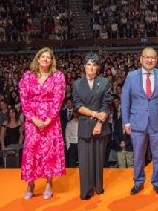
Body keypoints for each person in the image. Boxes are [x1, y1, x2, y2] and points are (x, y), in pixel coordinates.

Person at [122, 47, 158, 196]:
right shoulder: (131, 76)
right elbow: (125, 101)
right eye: (147, 57)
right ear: (141, 59)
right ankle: (138, 181)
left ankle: (157, 182)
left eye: (152, 58)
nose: (149, 60)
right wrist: (126, 122)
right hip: (137, 123)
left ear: (156, 60)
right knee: (138, 155)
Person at [18, 47, 66, 200]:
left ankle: (49, 183)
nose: (45, 59)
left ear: (52, 61)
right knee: (31, 149)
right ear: (37, 59)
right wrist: (34, 118)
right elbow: (23, 99)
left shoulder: (58, 76)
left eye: (48, 57)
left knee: (50, 151)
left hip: (51, 120)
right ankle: (30, 184)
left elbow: (58, 99)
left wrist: (48, 120)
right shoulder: (27, 76)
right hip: (32, 120)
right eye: (43, 56)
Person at [72, 53, 112, 200]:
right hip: (84, 126)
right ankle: (86, 190)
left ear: (98, 67)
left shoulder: (104, 82)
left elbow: (106, 104)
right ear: (84, 66)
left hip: (100, 126)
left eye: (94, 65)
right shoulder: (77, 84)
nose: (91, 67)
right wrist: (95, 115)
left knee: (98, 159)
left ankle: (98, 187)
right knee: (84, 161)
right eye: (88, 64)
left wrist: (100, 123)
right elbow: (78, 106)